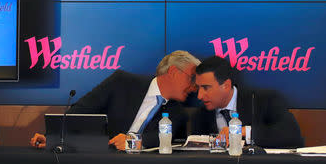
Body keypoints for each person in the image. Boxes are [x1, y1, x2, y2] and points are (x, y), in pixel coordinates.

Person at [30, 50, 201, 150]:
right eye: (192, 79)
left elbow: (161, 139)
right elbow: (80, 112)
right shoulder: (121, 82)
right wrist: (52, 138)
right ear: (173, 72)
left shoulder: (178, 113)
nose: (195, 88)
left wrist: (133, 142)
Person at [192, 56, 303, 148]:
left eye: (206, 88)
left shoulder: (264, 100)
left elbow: (292, 136)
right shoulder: (200, 117)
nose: (199, 95)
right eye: (198, 88)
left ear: (226, 86)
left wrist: (244, 131)